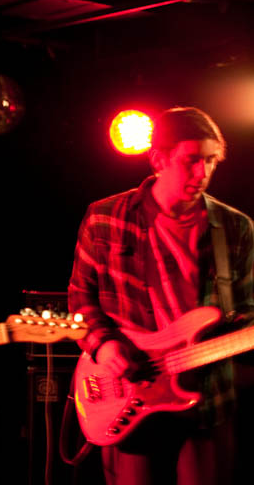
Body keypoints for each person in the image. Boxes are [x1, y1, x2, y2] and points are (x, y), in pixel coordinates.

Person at [68, 106, 254, 485]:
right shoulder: (105, 217)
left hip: (209, 395)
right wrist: (106, 347)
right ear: (158, 160)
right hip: (131, 390)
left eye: (211, 161)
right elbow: (80, 299)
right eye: (191, 161)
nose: (203, 173)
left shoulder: (236, 227)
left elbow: (247, 310)